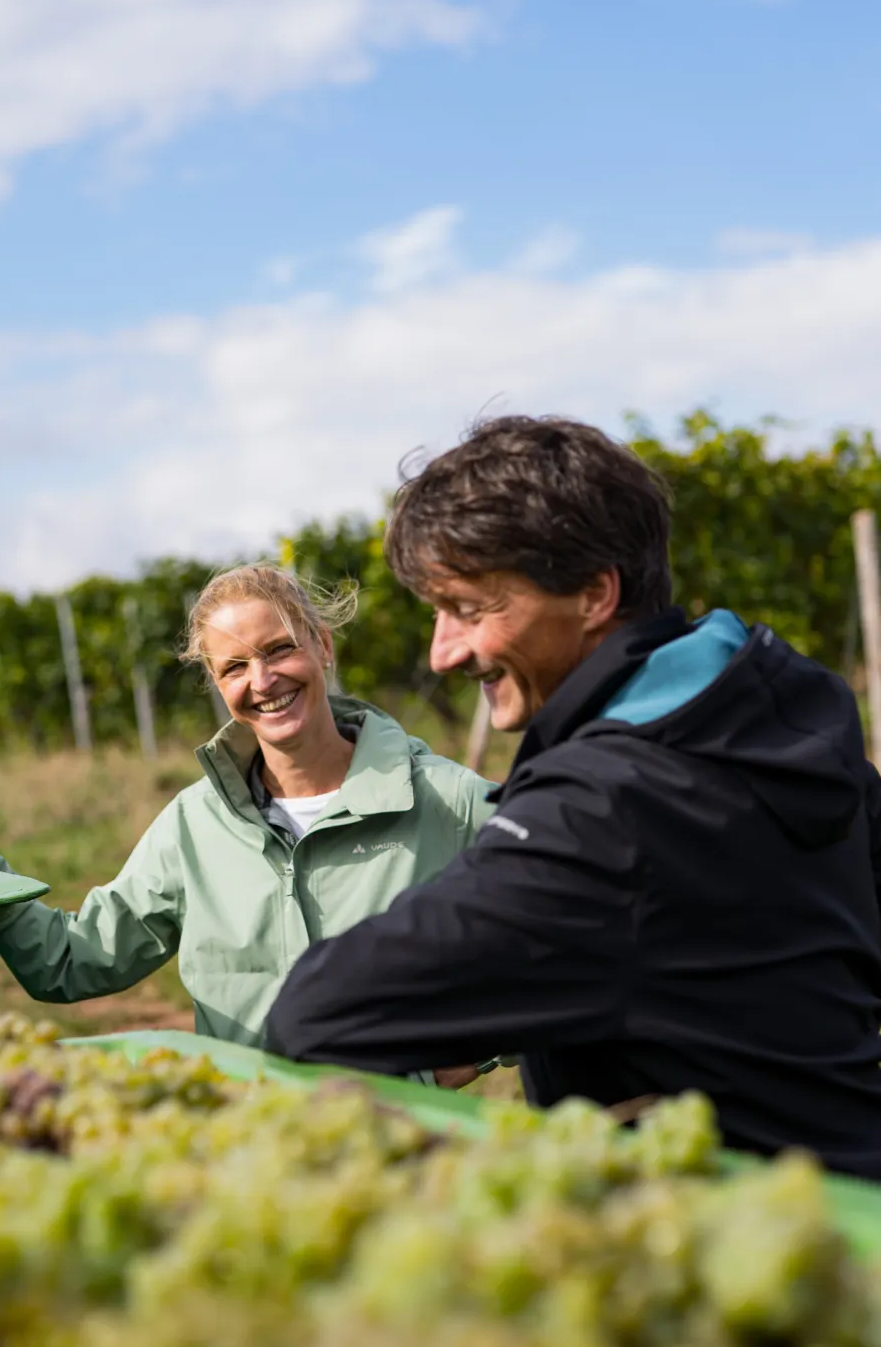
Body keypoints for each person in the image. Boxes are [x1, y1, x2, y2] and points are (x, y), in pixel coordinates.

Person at [265, 416, 881, 1179]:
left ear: (593, 594)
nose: (442, 651)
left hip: (727, 1243)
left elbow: (317, 1012)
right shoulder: (771, 708)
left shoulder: (603, 807)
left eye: (469, 609)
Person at [0, 565, 496, 1054]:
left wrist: (474, 1053)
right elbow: (73, 961)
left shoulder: (447, 800)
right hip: (250, 1143)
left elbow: (566, 936)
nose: (261, 682)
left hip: (408, 1144)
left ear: (322, 646)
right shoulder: (196, 823)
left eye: (278, 650)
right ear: (215, 683)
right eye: (233, 666)